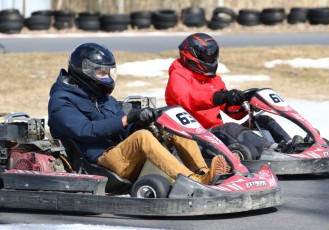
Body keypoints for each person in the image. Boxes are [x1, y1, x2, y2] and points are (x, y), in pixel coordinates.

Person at [48, 42, 230, 186]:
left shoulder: (101, 98)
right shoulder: (61, 101)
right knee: (142, 137)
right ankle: (194, 181)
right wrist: (128, 119)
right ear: (85, 70)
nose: (107, 78)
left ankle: (204, 173)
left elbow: (124, 130)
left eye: (108, 72)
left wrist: (145, 121)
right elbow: (85, 130)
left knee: (171, 127)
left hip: (121, 155)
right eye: (101, 73)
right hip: (99, 164)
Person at [165, 33, 303, 160]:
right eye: (206, 55)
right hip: (194, 137)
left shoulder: (214, 80)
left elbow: (233, 112)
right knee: (229, 128)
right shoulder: (178, 75)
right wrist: (220, 96)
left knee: (263, 119)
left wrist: (245, 101)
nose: (210, 57)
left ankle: (293, 145)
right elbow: (187, 99)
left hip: (216, 134)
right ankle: (276, 149)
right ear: (190, 55)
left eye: (212, 54)